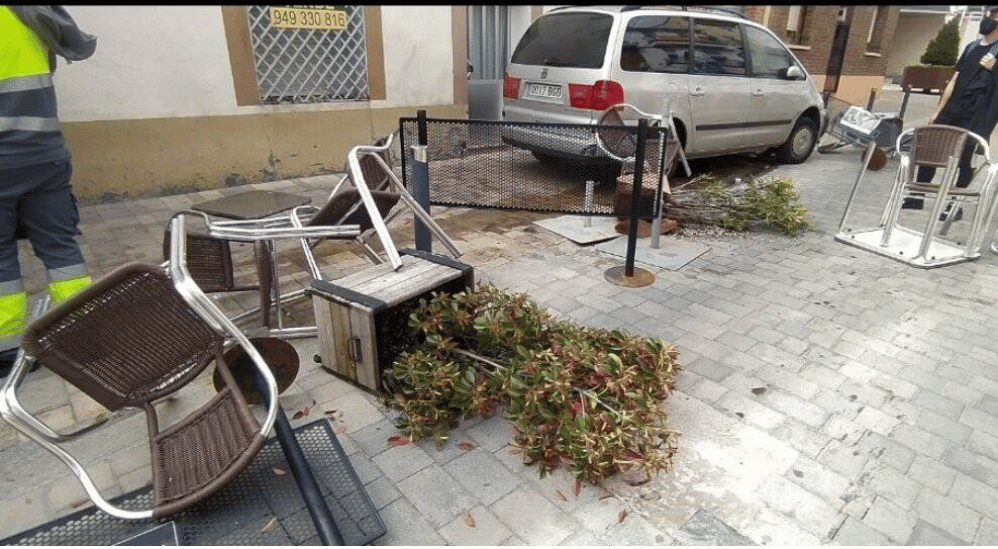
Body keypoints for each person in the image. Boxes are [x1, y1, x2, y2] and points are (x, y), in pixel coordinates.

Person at [0, 6, 97, 376]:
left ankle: (6, 350)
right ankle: (81, 339)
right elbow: (80, 45)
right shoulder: (29, 11)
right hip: (42, 155)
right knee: (61, 248)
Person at [903, 5, 998, 220]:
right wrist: (938, 110)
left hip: (975, 112)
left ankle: (955, 206)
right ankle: (917, 196)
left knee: (964, 159)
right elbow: (954, 80)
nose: (989, 19)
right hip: (952, 108)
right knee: (933, 148)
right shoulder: (971, 47)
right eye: (990, 15)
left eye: (994, 16)